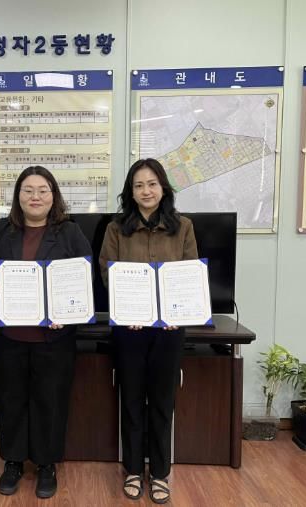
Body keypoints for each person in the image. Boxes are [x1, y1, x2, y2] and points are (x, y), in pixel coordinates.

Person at [0, 165, 92, 499]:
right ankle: (13, 462)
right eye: (28, 190)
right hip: (11, 337)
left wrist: (67, 313)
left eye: (43, 190)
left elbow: (84, 279)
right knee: (10, 400)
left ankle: (46, 465)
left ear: (53, 196)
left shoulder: (70, 233)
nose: (35, 197)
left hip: (53, 339)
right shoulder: (0, 230)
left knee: (50, 402)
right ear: (18, 196)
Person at [99, 158, 198, 504]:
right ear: (131, 191)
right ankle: (131, 470)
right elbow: (107, 272)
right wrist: (128, 309)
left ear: (163, 188)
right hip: (129, 328)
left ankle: (159, 472)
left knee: (161, 401)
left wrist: (177, 311)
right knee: (131, 399)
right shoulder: (116, 229)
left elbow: (189, 274)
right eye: (139, 185)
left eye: (152, 184)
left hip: (169, 329)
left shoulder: (183, 227)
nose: (146, 191)